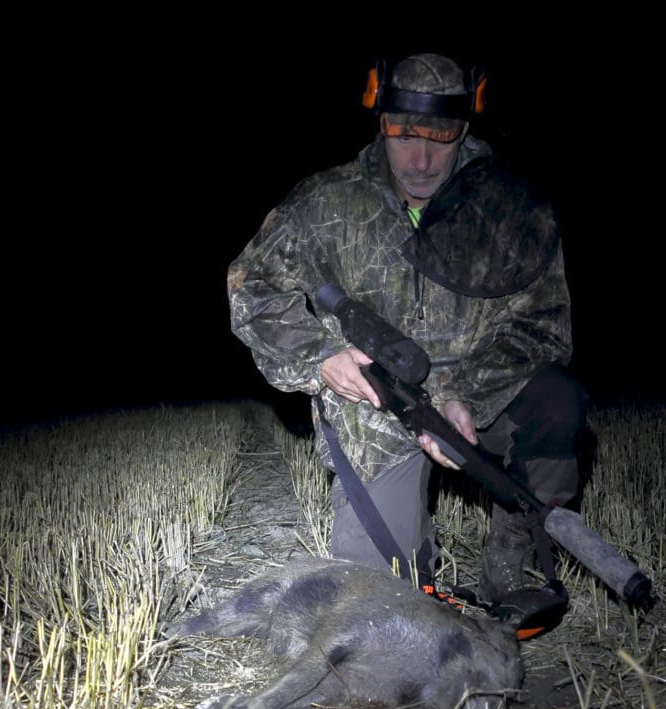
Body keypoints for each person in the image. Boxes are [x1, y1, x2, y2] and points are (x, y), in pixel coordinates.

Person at [226, 52, 587, 611]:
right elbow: (249, 287)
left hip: (478, 398)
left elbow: (544, 326)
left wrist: (465, 393)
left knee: (558, 402)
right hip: (378, 412)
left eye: (441, 136)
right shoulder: (328, 202)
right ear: (381, 121)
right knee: (381, 604)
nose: (421, 159)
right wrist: (321, 356)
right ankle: (409, 551)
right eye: (404, 133)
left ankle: (512, 553)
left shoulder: (511, 208)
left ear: (465, 127)